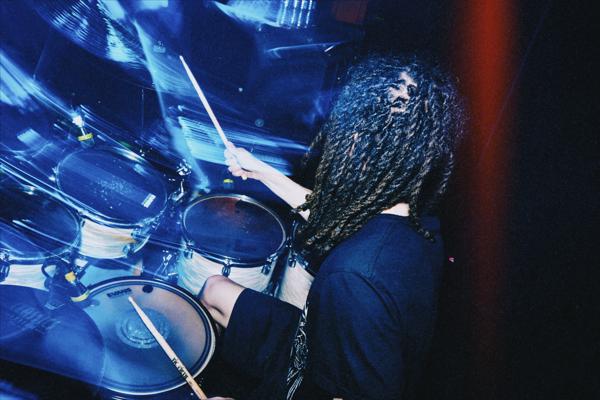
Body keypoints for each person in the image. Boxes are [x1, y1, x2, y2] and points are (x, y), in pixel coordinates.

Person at [200, 54, 466, 400]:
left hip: (309, 382)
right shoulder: (416, 222)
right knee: (214, 290)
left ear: (361, 144)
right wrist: (260, 171)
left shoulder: (354, 280)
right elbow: (337, 218)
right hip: (311, 343)